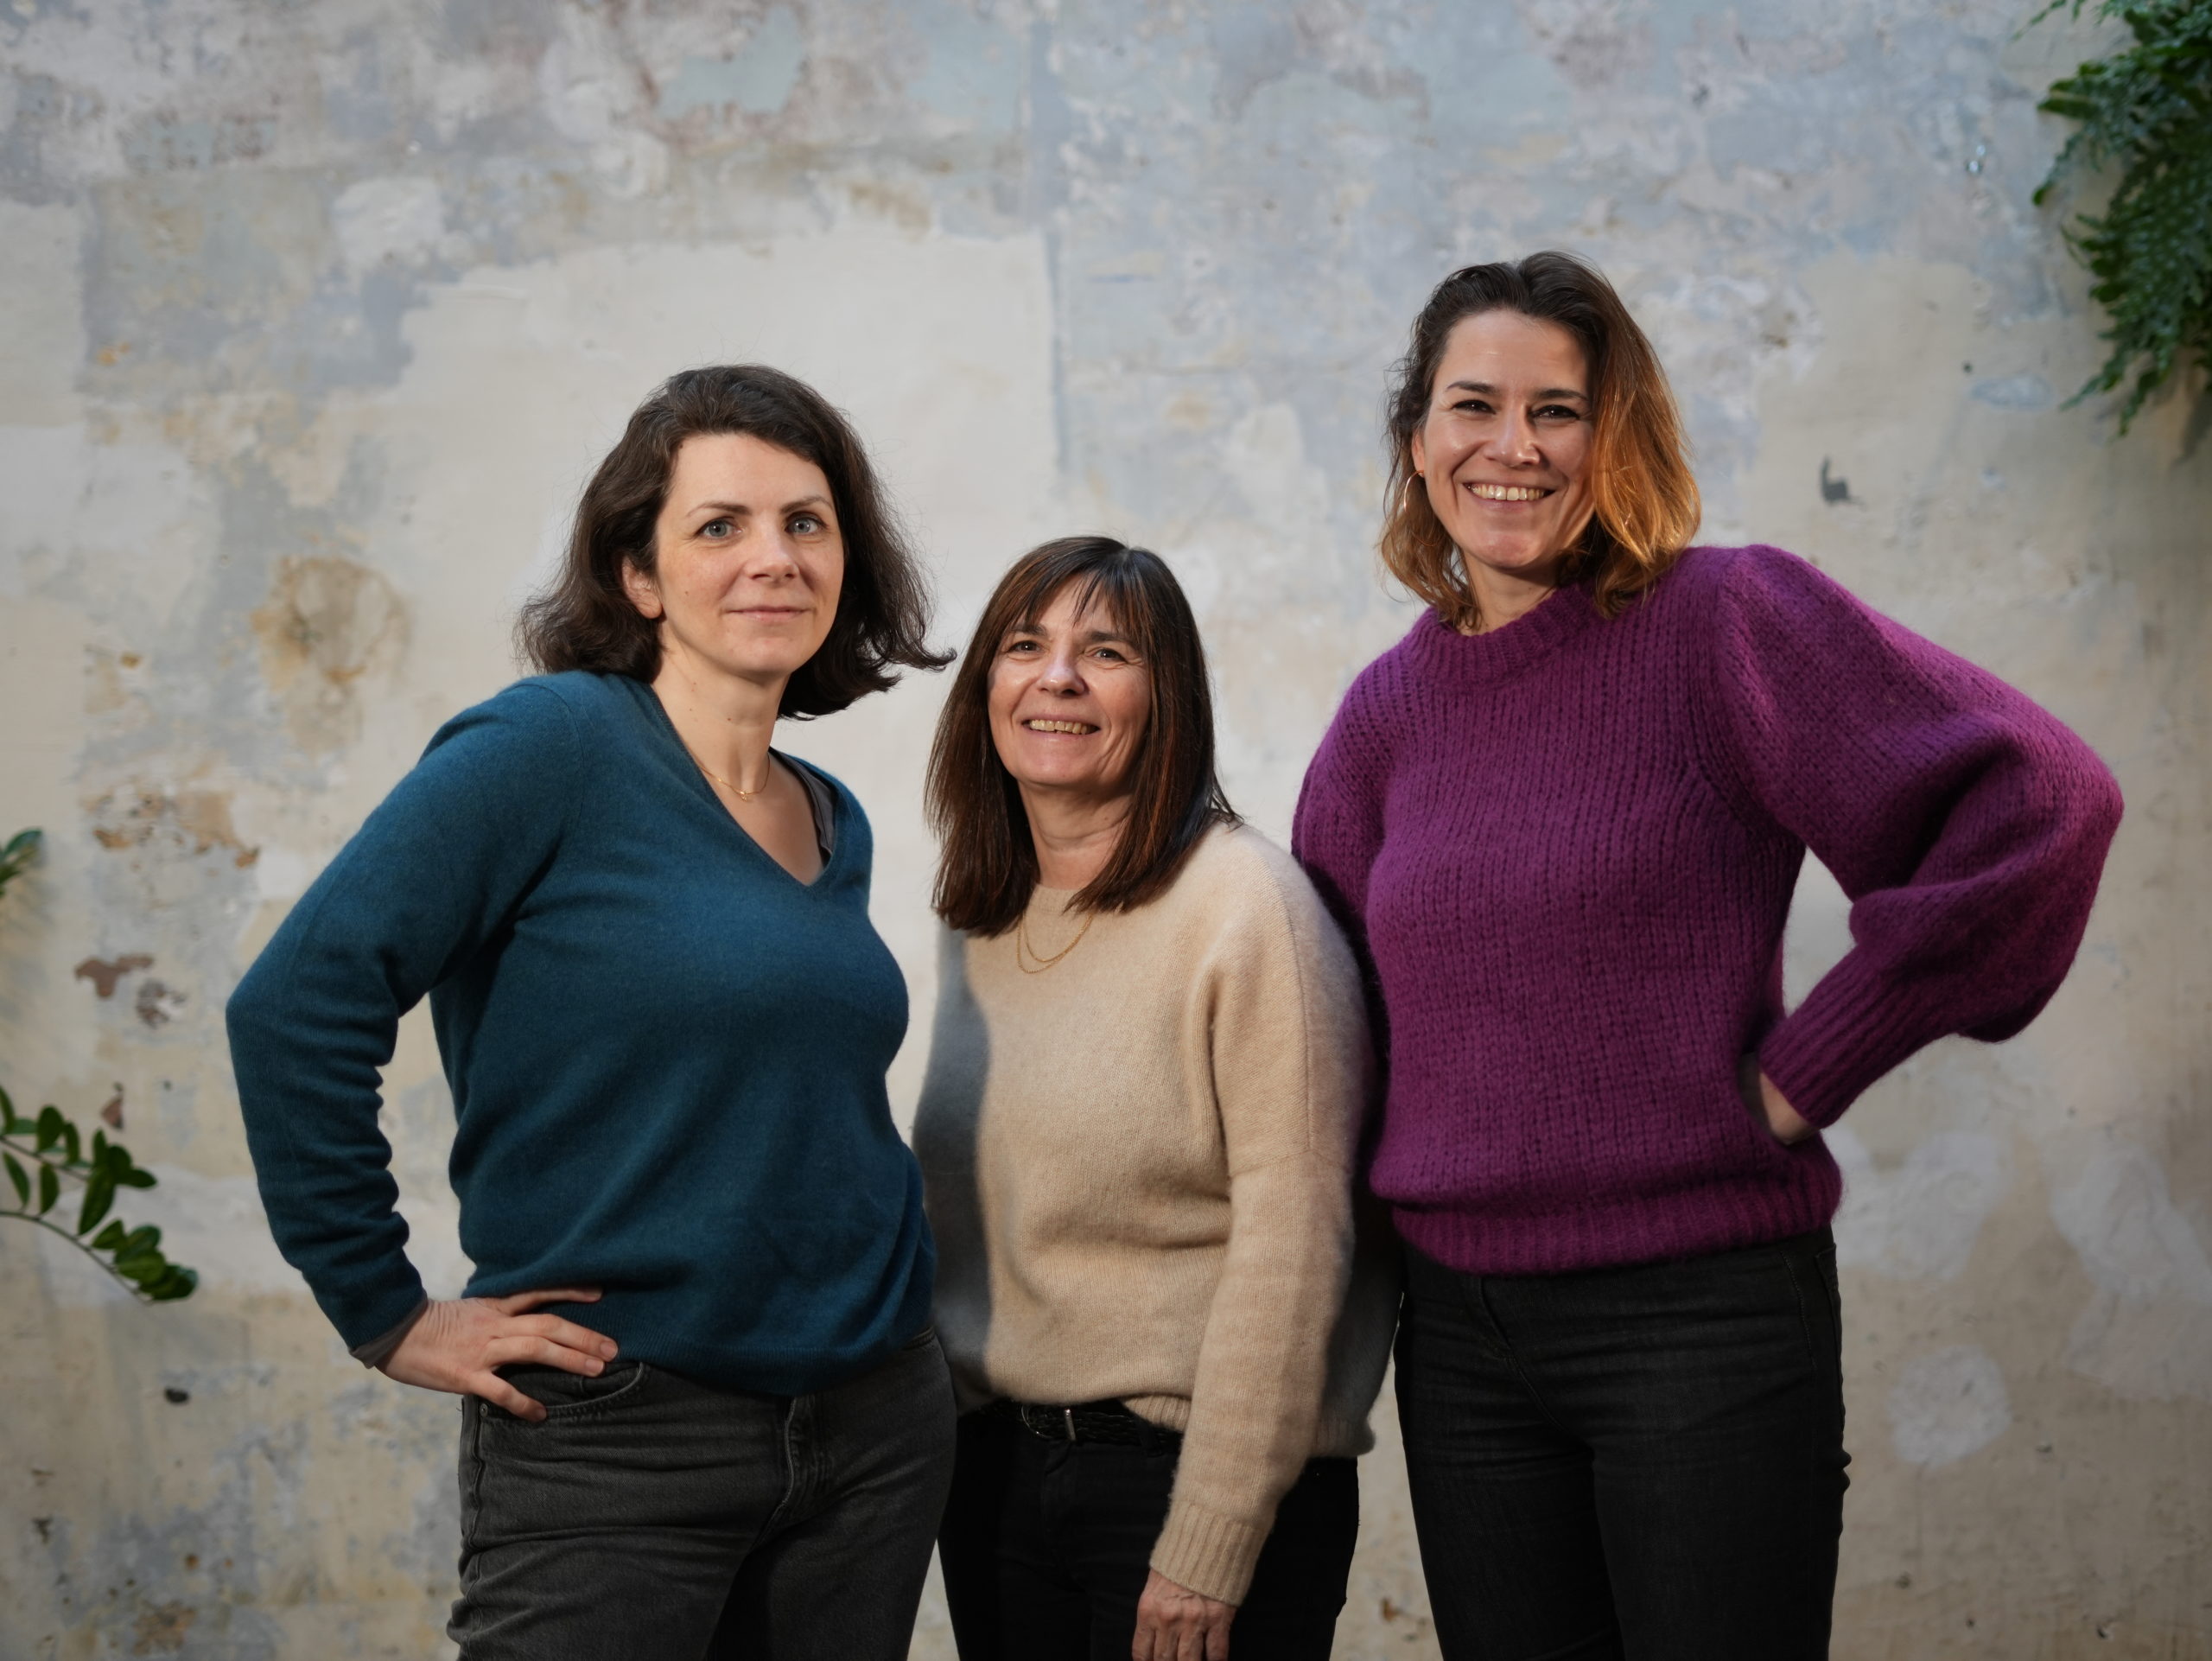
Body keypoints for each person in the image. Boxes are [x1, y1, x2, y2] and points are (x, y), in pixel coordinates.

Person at [1292, 253, 2124, 1661]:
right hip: (1466, 1345)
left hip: (1702, 1326)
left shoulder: (1725, 622)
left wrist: (1809, 1070)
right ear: (1417, 440)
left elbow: (2044, 801)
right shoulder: (1387, 716)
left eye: (1558, 409)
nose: (1513, 446)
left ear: (1612, 438)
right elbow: (1320, 1018)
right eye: (1473, 405)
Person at [226, 365, 957, 1661]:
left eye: (806, 521)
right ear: (639, 573)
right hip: (621, 1431)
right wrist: (384, 1307)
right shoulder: (548, 746)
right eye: (719, 526)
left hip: (871, 1425)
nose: (772, 557)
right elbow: (297, 1002)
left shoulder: (827, 814)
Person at [912, 538, 1399, 1661]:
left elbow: (1299, 1242)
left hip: (1185, 1483)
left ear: (1164, 695)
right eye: (1024, 646)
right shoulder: (985, 919)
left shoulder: (1245, 907)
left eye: (1106, 651)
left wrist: (1212, 1537)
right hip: (997, 1480)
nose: (1058, 677)